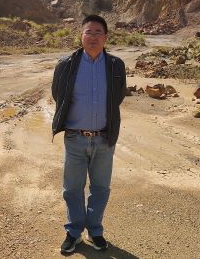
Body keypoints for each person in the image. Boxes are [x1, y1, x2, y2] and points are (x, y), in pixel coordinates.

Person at [51, 14, 126, 253]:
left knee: (101, 188)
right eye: (88, 32)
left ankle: (95, 231)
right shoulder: (66, 64)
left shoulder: (116, 65)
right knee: (72, 188)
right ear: (81, 36)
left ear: (106, 37)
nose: (93, 37)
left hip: (104, 138)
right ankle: (73, 232)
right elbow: (58, 94)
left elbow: (118, 96)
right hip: (75, 137)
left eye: (98, 32)